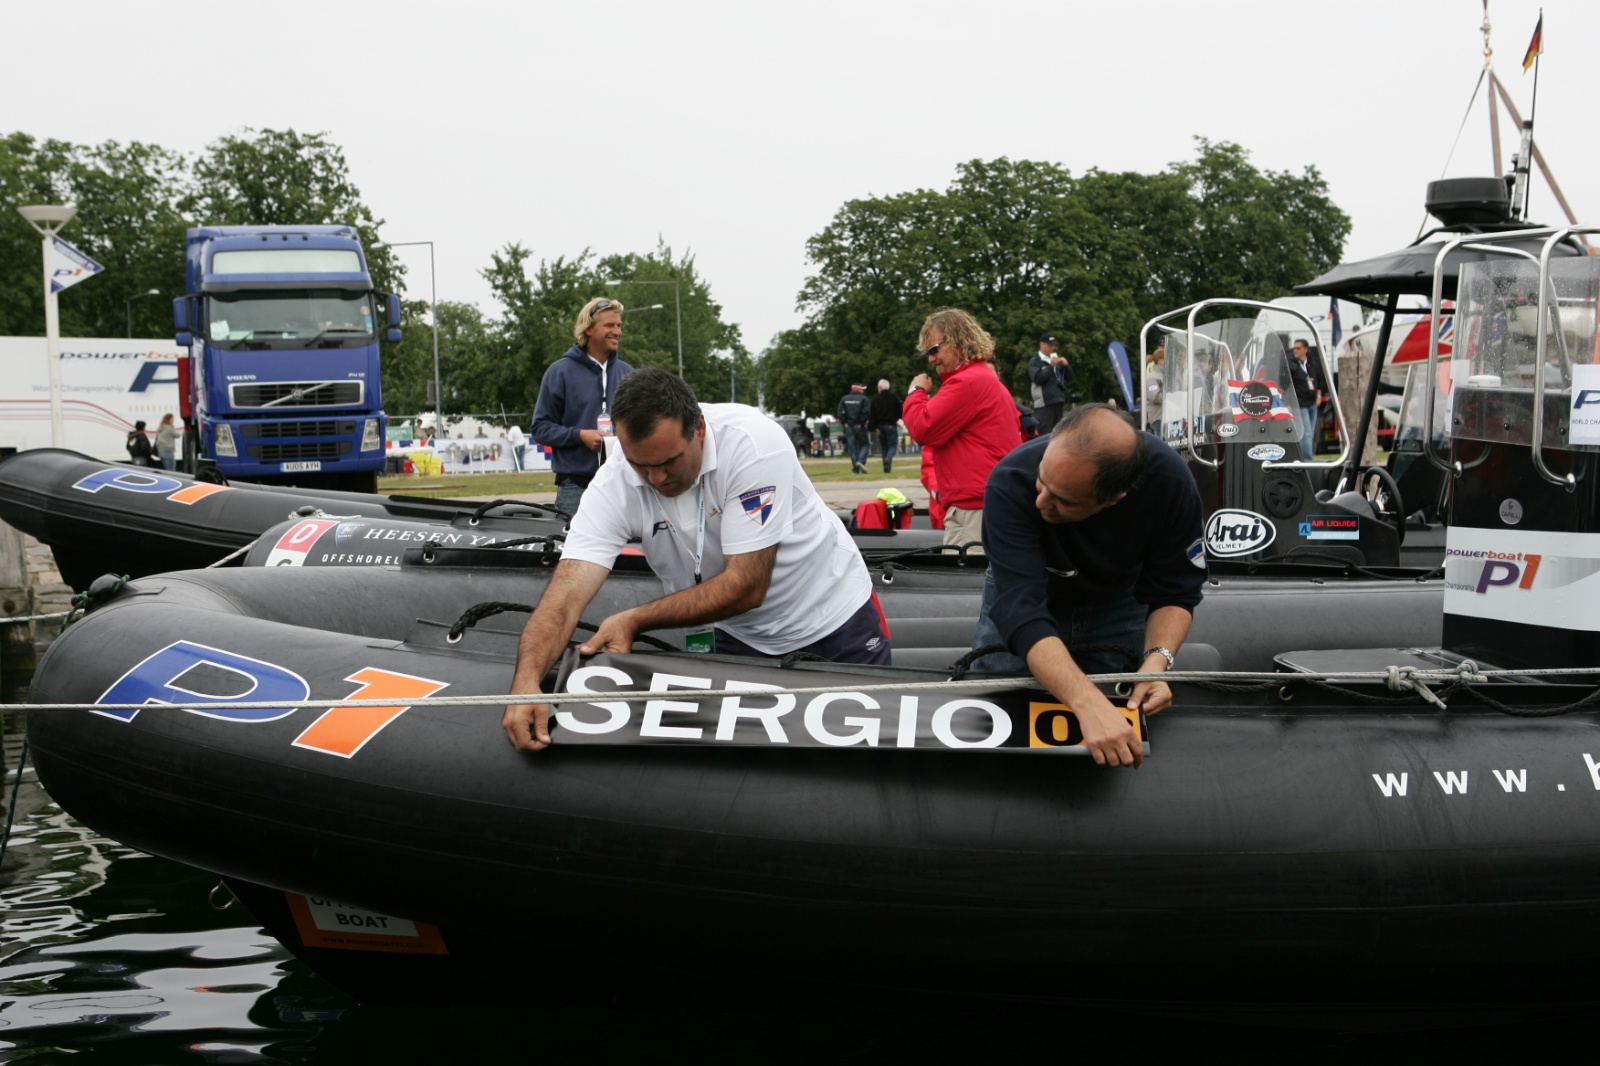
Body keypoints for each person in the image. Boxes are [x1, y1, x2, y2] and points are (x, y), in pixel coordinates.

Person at [503, 369, 890, 753]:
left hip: (835, 620)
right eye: (640, 464)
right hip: (739, 635)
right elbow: (566, 594)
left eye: (669, 461)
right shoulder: (614, 482)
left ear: (699, 428)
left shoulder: (754, 444)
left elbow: (747, 586)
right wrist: (526, 682)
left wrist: (634, 619)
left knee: (861, 763)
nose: (656, 478)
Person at [971, 403, 1206, 768]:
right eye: (1042, 481)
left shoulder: (1170, 483)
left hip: (1119, 602)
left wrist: (1155, 663)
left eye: (1063, 500)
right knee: (998, 713)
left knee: (1115, 721)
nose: (1041, 501)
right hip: (1026, 595)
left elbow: (1176, 590)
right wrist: (1087, 702)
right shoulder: (1010, 480)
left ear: (1114, 499)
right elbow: (1021, 610)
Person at [902, 309, 1022, 550]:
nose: (931, 359)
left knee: (969, 572)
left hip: (974, 508)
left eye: (933, 350)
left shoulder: (967, 382)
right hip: (984, 502)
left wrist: (916, 392)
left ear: (957, 341)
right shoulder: (980, 379)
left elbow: (922, 427)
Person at [532, 297, 634, 516]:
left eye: (619, 326)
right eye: (609, 325)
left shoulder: (628, 374)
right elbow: (540, 428)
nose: (617, 332)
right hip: (575, 487)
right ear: (589, 329)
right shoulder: (560, 372)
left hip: (620, 486)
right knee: (571, 540)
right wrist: (580, 436)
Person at [1028, 332, 1074, 435]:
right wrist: (1050, 367)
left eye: (1054, 345)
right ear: (1042, 344)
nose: (1052, 348)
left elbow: (1070, 378)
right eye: (1050, 345)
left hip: (1058, 401)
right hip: (1044, 404)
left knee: (1059, 435)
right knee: (1044, 435)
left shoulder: (1055, 360)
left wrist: (1066, 366)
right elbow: (1038, 378)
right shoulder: (1035, 361)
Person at [1289, 339, 1320, 459]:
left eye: (1298, 348)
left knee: (1310, 432)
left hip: (1312, 402)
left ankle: (1305, 455)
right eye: (1294, 348)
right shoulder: (1292, 365)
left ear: (1306, 349)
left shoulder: (1312, 364)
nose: (1295, 350)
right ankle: (1307, 459)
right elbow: (1286, 385)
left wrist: (1318, 396)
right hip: (1299, 403)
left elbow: (1319, 381)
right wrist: (1288, 403)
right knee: (1305, 432)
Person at [837, 384, 872, 474]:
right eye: (862, 389)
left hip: (848, 426)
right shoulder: (864, 399)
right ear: (858, 390)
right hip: (859, 426)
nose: (863, 391)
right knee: (865, 445)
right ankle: (861, 461)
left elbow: (840, 412)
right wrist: (861, 423)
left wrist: (844, 423)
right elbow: (866, 412)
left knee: (852, 448)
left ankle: (856, 469)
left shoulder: (844, 399)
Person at [870, 379, 903, 474]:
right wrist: (896, 418)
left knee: (884, 447)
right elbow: (900, 411)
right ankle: (888, 459)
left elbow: (872, 414)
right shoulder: (894, 397)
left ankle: (886, 468)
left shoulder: (875, 398)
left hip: (880, 426)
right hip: (891, 425)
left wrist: (874, 427)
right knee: (892, 445)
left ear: (880, 387)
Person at [1143, 342, 1166, 438]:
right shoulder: (1152, 377)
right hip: (1158, 417)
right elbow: (1155, 397)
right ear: (1161, 360)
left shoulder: (1164, 375)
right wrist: (1172, 396)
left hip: (1166, 416)